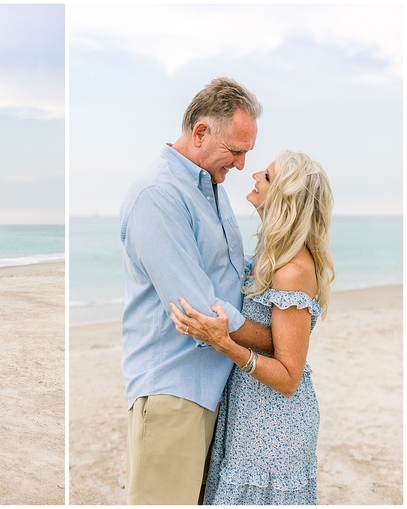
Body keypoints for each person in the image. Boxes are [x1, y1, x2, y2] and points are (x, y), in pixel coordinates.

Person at [119, 77, 274, 505]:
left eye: (248, 154)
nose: (242, 165)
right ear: (201, 132)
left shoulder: (212, 187)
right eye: (237, 152)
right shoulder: (159, 194)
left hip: (216, 387)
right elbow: (200, 309)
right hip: (175, 389)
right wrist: (276, 342)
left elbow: (229, 273)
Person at [171, 150, 335, 504]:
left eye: (268, 176)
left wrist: (224, 343)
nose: (255, 174)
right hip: (249, 414)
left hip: (274, 424)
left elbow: (290, 376)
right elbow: (273, 339)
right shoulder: (270, 256)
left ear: (284, 199)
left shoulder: (292, 271)